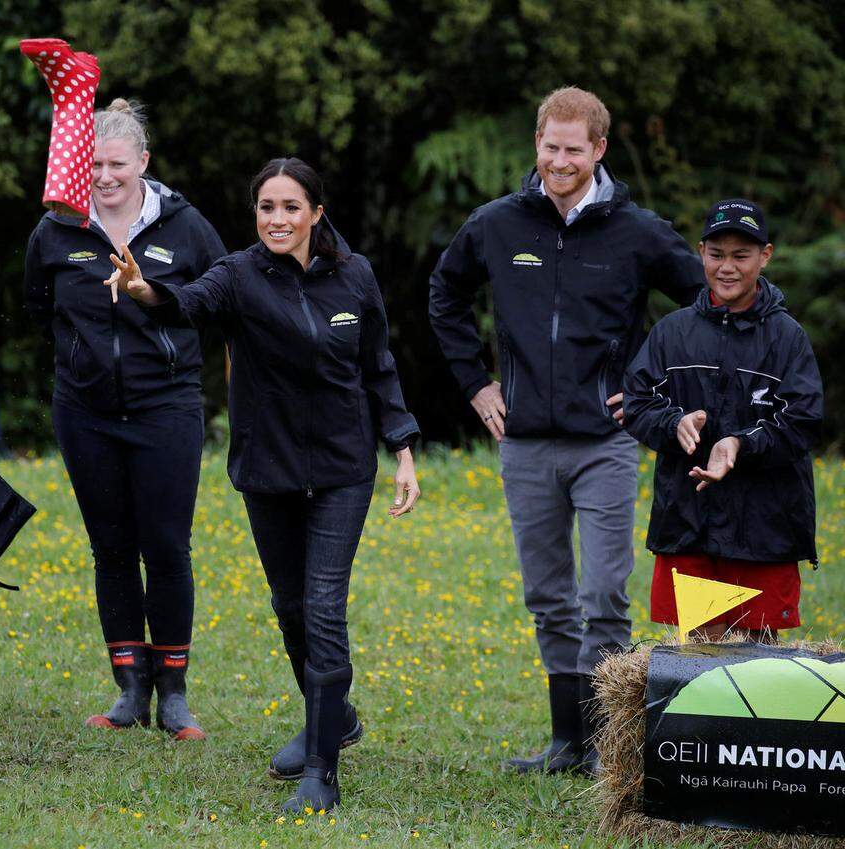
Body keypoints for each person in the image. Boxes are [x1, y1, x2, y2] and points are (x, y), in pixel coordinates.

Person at [105, 157, 421, 812]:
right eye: (266, 207)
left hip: (342, 467)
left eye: (290, 207)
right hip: (267, 468)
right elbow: (187, 303)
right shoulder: (240, 275)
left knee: (324, 604)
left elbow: (379, 366)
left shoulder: (354, 275)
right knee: (290, 606)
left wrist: (403, 447)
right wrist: (144, 291)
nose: (277, 219)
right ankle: (332, 714)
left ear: (316, 213)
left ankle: (321, 772)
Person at [428, 86, 705, 776]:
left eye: (573, 150)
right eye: (549, 146)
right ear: (537, 144)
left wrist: (651, 390)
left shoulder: (637, 232)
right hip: (524, 441)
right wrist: (476, 383)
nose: (558, 160)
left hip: (605, 443)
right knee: (549, 595)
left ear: (598, 150)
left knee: (604, 593)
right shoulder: (499, 224)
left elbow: (704, 305)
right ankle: (566, 743)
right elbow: (445, 293)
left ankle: (608, 749)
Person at [24, 99, 226, 739]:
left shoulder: (186, 228)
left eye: (117, 164)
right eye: (94, 163)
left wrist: (158, 305)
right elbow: (38, 313)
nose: (105, 176)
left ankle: (174, 694)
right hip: (85, 414)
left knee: (166, 547)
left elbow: (219, 300)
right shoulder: (56, 229)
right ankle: (129, 691)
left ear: (143, 162)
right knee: (110, 549)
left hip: (167, 407)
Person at [623, 199, 822, 642]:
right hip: (690, 526)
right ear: (700, 253)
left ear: (765, 256)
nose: (726, 267)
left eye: (740, 256)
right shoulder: (672, 333)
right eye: (716, 255)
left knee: (758, 662)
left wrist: (740, 444)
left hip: (765, 530)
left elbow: (803, 420)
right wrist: (673, 423)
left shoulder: (788, 337)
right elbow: (637, 403)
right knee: (700, 660)